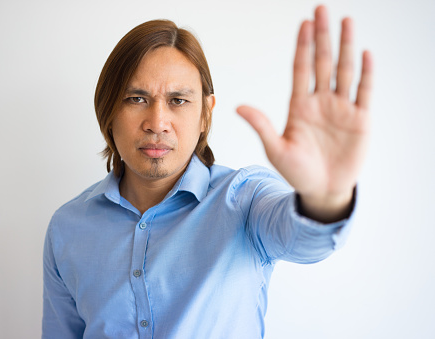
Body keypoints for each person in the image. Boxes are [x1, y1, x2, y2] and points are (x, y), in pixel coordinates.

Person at [42, 5, 373, 338]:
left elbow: (305, 239)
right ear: (108, 112)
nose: (157, 123)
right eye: (136, 98)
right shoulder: (67, 227)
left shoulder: (245, 200)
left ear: (205, 114)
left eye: (178, 100)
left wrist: (325, 197)